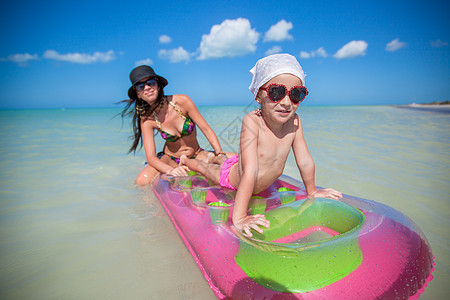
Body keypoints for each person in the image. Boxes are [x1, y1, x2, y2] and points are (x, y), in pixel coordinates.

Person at [180, 53, 342, 236]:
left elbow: (304, 160)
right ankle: (187, 160)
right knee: (207, 169)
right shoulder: (252, 121)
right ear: (258, 95)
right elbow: (250, 170)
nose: (287, 102)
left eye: (296, 94)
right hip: (233, 178)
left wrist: (312, 191)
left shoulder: (295, 122)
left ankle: (219, 157)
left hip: (245, 166)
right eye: (276, 92)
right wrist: (239, 217)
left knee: (229, 159)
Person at [120, 65, 229, 185]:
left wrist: (219, 154)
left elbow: (206, 129)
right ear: (138, 94)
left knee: (233, 159)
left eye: (150, 83)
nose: (147, 88)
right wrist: (171, 170)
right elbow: (151, 157)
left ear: (158, 85)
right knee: (141, 180)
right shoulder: (146, 120)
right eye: (141, 86)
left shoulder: (182, 101)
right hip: (170, 160)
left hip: (197, 154)